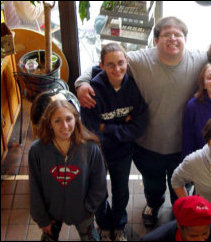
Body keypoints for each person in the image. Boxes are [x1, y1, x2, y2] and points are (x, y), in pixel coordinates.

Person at [75, 16, 211, 227]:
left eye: (177, 34)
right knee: (152, 186)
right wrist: (81, 83)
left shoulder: (199, 60)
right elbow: (104, 66)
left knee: (181, 187)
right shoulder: (138, 60)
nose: (172, 38)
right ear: (155, 40)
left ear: (186, 39)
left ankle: (180, 212)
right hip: (147, 145)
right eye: (166, 35)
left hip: (182, 148)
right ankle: (153, 205)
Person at [80, 43, 148, 241]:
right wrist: (122, 126)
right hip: (98, 150)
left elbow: (140, 124)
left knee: (121, 191)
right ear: (101, 65)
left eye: (120, 63)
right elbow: (91, 126)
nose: (117, 69)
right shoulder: (93, 90)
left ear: (127, 61)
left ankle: (118, 226)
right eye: (110, 65)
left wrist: (107, 128)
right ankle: (103, 224)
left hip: (122, 150)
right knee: (99, 192)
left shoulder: (133, 86)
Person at [28, 100, 107, 241]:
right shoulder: (36, 151)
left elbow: (99, 183)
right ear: (49, 123)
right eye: (57, 121)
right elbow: (35, 187)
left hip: (83, 212)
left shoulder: (90, 148)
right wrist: (42, 219)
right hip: (51, 211)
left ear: (76, 119)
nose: (64, 126)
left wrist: (88, 208)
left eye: (69, 119)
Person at [141, 195, 211, 241]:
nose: (201, 240)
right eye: (193, 236)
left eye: (205, 233)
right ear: (179, 225)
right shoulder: (154, 240)